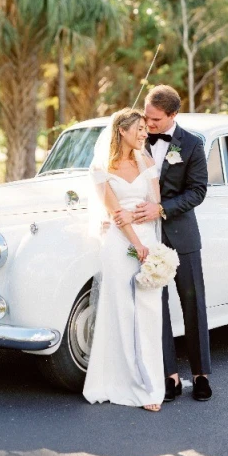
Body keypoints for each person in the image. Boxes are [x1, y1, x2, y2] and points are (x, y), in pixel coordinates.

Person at [131, 84, 212, 402]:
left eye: (154, 121)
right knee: (157, 307)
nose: (148, 125)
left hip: (183, 237)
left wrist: (162, 208)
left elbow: (198, 191)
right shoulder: (138, 140)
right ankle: (170, 376)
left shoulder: (192, 144)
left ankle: (201, 375)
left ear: (173, 116)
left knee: (193, 305)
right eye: (146, 119)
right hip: (149, 238)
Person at [83, 108, 165, 411]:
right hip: (121, 244)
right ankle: (125, 384)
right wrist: (136, 243)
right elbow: (115, 212)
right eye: (140, 129)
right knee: (121, 312)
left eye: (146, 129)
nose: (145, 134)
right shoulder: (102, 169)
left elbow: (155, 204)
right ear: (122, 131)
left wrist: (147, 235)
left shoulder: (147, 162)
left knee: (148, 312)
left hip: (149, 239)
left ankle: (149, 385)